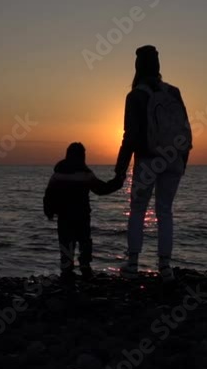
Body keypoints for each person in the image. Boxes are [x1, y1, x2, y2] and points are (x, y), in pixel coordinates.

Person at [114, 45, 192, 281]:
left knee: (137, 211)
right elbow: (185, 128)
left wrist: (120, 171)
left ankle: (132, 264)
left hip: (148, 159)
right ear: (158, 66)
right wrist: (182, 160)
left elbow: (130, 136)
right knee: (165, 212)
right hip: (174, 159)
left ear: (138, 67)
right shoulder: (173, 92)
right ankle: (165, 267)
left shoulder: (136, 95)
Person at [44, 142, 123, 281]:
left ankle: (67, 270)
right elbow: (101, 189)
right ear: (82, 156)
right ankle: (85, 267)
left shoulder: (58, 174)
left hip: (64, 216)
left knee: (66, 242)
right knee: (84, 242)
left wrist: (49, 210)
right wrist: (117, 182)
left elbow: (49, 195)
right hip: (82, 216)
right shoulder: (85, 174)